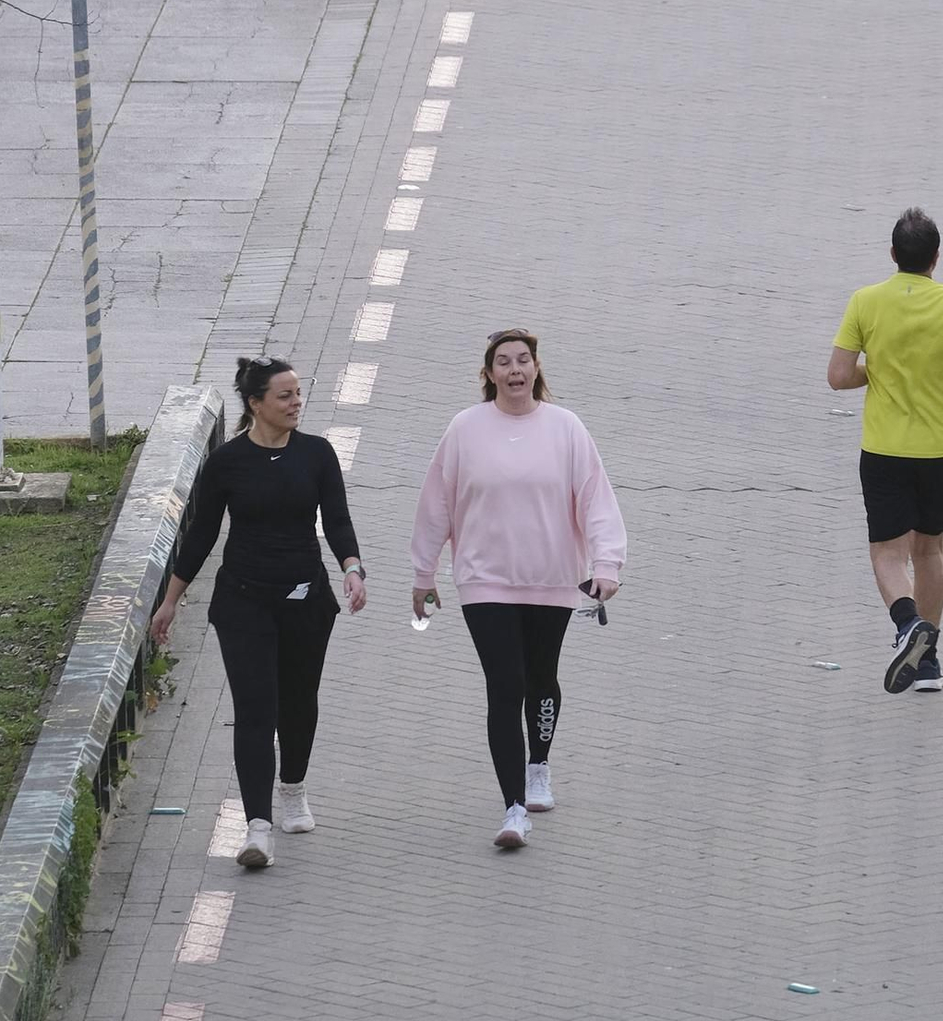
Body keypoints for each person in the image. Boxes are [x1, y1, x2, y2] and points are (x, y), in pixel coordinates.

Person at [412, 327, 626, 853]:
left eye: (522, 361)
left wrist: (607, 564)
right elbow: (435, 504)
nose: (514, 370)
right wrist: (424, 574)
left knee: (540, 678)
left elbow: (595, 498)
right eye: (503, 363)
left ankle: (538, 767)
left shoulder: (566, 428)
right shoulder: (464, 429)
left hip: (552, 577)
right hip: (484, 581)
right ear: (488, 374)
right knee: (504, 687)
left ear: (536, 369)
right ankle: (513, 809)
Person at [149, 357, 366, 871]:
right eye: (285, 396)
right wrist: (172, 599)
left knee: (297, 701)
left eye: (298, 394)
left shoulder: (316, 453)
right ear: (256, 404)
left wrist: (353, 568)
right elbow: (201, 534)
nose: (296, 403)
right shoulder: (227, 462)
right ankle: (258, 826)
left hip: (305, 600)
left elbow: (336, 517)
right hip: (243, 601)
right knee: (254, 709)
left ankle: (292, 787)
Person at [829, 209, 943, 695]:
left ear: (893, 255)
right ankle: (927, 664)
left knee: (888, 552)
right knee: (929, 548)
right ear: (936, 258)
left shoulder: (865, 302)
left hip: (885, 450)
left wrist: (880, 369)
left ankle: (907, 624)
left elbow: (839, 376)